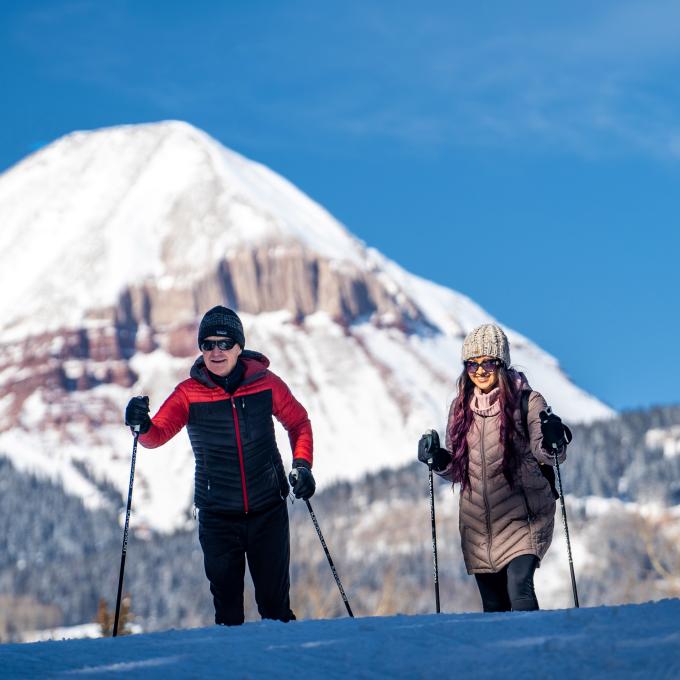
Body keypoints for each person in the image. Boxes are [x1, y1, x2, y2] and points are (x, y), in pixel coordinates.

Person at [124, 305, 315, 626]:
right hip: (217, 517)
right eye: (208, 343)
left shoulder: (266, 383)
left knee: (275, 609)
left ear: (239, 347)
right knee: (227, 614)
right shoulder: (188, 394)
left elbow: (299, 422)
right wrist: (140, 425)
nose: (216, 351)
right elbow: (155, 436)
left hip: (268, 510)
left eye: (225, 343)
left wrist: (303, 465)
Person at [418, 323, 569, 612]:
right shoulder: (460, 407)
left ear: (502, 363)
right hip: (478, 525)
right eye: (472, 364)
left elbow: (547, 453)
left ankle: (533, 650)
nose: (480, 370)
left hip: (524, 515)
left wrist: (554, 440)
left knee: (519, 586)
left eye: (488, 362)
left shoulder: (528, 401)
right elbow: (459, 467)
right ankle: (503, 658)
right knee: (494, 604)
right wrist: (437, 459)